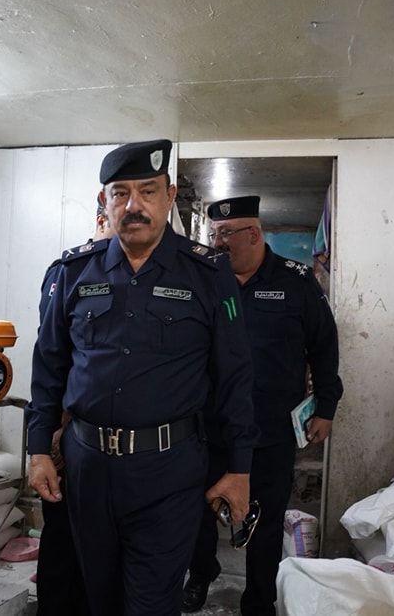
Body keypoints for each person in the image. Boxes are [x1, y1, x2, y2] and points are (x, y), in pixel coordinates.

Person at [26, 139, 258, 616]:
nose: (134, 205)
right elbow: (49, 365)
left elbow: (234, 376)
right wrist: (37, 450)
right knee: (97, 597)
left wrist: (239, 469)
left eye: (148, 191)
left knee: (151, 603)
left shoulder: (207, 273)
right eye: (121, 193)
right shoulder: (75, 271)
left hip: (168, 472)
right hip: (87, 469)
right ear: (104, 201)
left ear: (169, 197)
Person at [183, 195, 344, 615]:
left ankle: (258, 599)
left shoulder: (295, 281)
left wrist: (326, 406)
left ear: (253, 234)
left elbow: (324, 346)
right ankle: (201, 572)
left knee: (265, 518)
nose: (217, 243)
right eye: (213, 234)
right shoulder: (204, 280)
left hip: (268, 429)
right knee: (197, 510)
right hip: (209, 425)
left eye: (225, 234)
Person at [34, 193, 113, 616]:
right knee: (63, 541)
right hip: (69, 433)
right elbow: (55, 361)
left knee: (99, 551)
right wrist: (53, 434)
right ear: (101, 221)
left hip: (102, 445)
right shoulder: (69, 272)